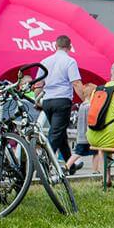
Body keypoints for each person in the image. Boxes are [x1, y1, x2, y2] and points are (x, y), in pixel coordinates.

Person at [39, 35, 87, 171]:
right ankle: (43, 166)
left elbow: (39, 83)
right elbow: (76, 83)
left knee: (60, 134)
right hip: (62, 101)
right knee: (55, 134)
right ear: (70, 47)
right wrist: (85, 99)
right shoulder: (70, 61)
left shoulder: (44, 61)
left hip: (47, 101)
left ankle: (70, 166)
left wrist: (37, 100)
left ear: (55, 46)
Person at [65, 83, 100, 176]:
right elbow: (91, 121)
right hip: (89, 135)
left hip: (81, 135)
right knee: (96, 152)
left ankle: (67, 166)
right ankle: (95, 170)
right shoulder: (90, 107)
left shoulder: (81, 105)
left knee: (77, 153)